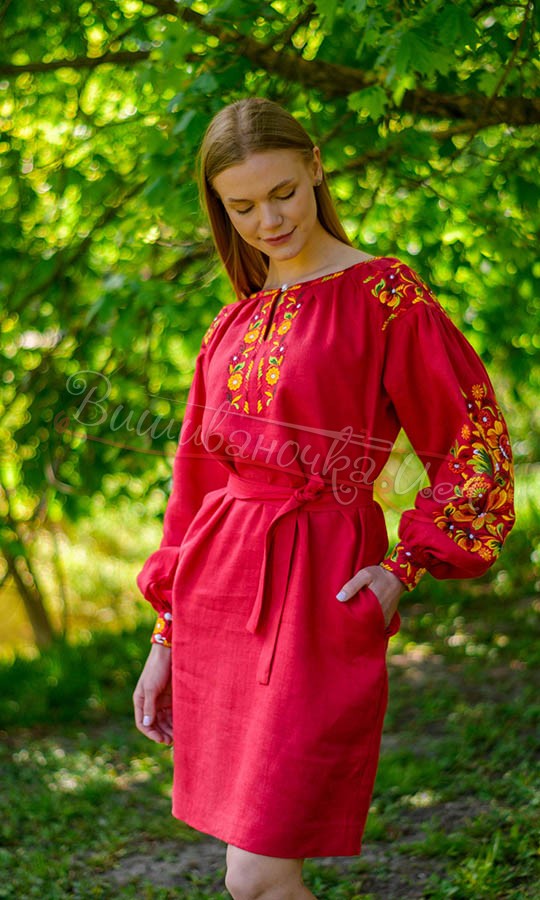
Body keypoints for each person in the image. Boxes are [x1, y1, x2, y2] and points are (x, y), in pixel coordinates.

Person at [133, 97, 516, 899]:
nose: (268, 220)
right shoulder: (231, 322)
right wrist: (167, 631)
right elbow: (194, 487)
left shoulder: (385, 295)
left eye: (282, 193)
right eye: (242, 207)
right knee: (247, 875)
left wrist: (403, 568)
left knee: (256, 876)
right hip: (220, 592)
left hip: (319, 589)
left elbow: (472, 440)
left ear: (315, 168)